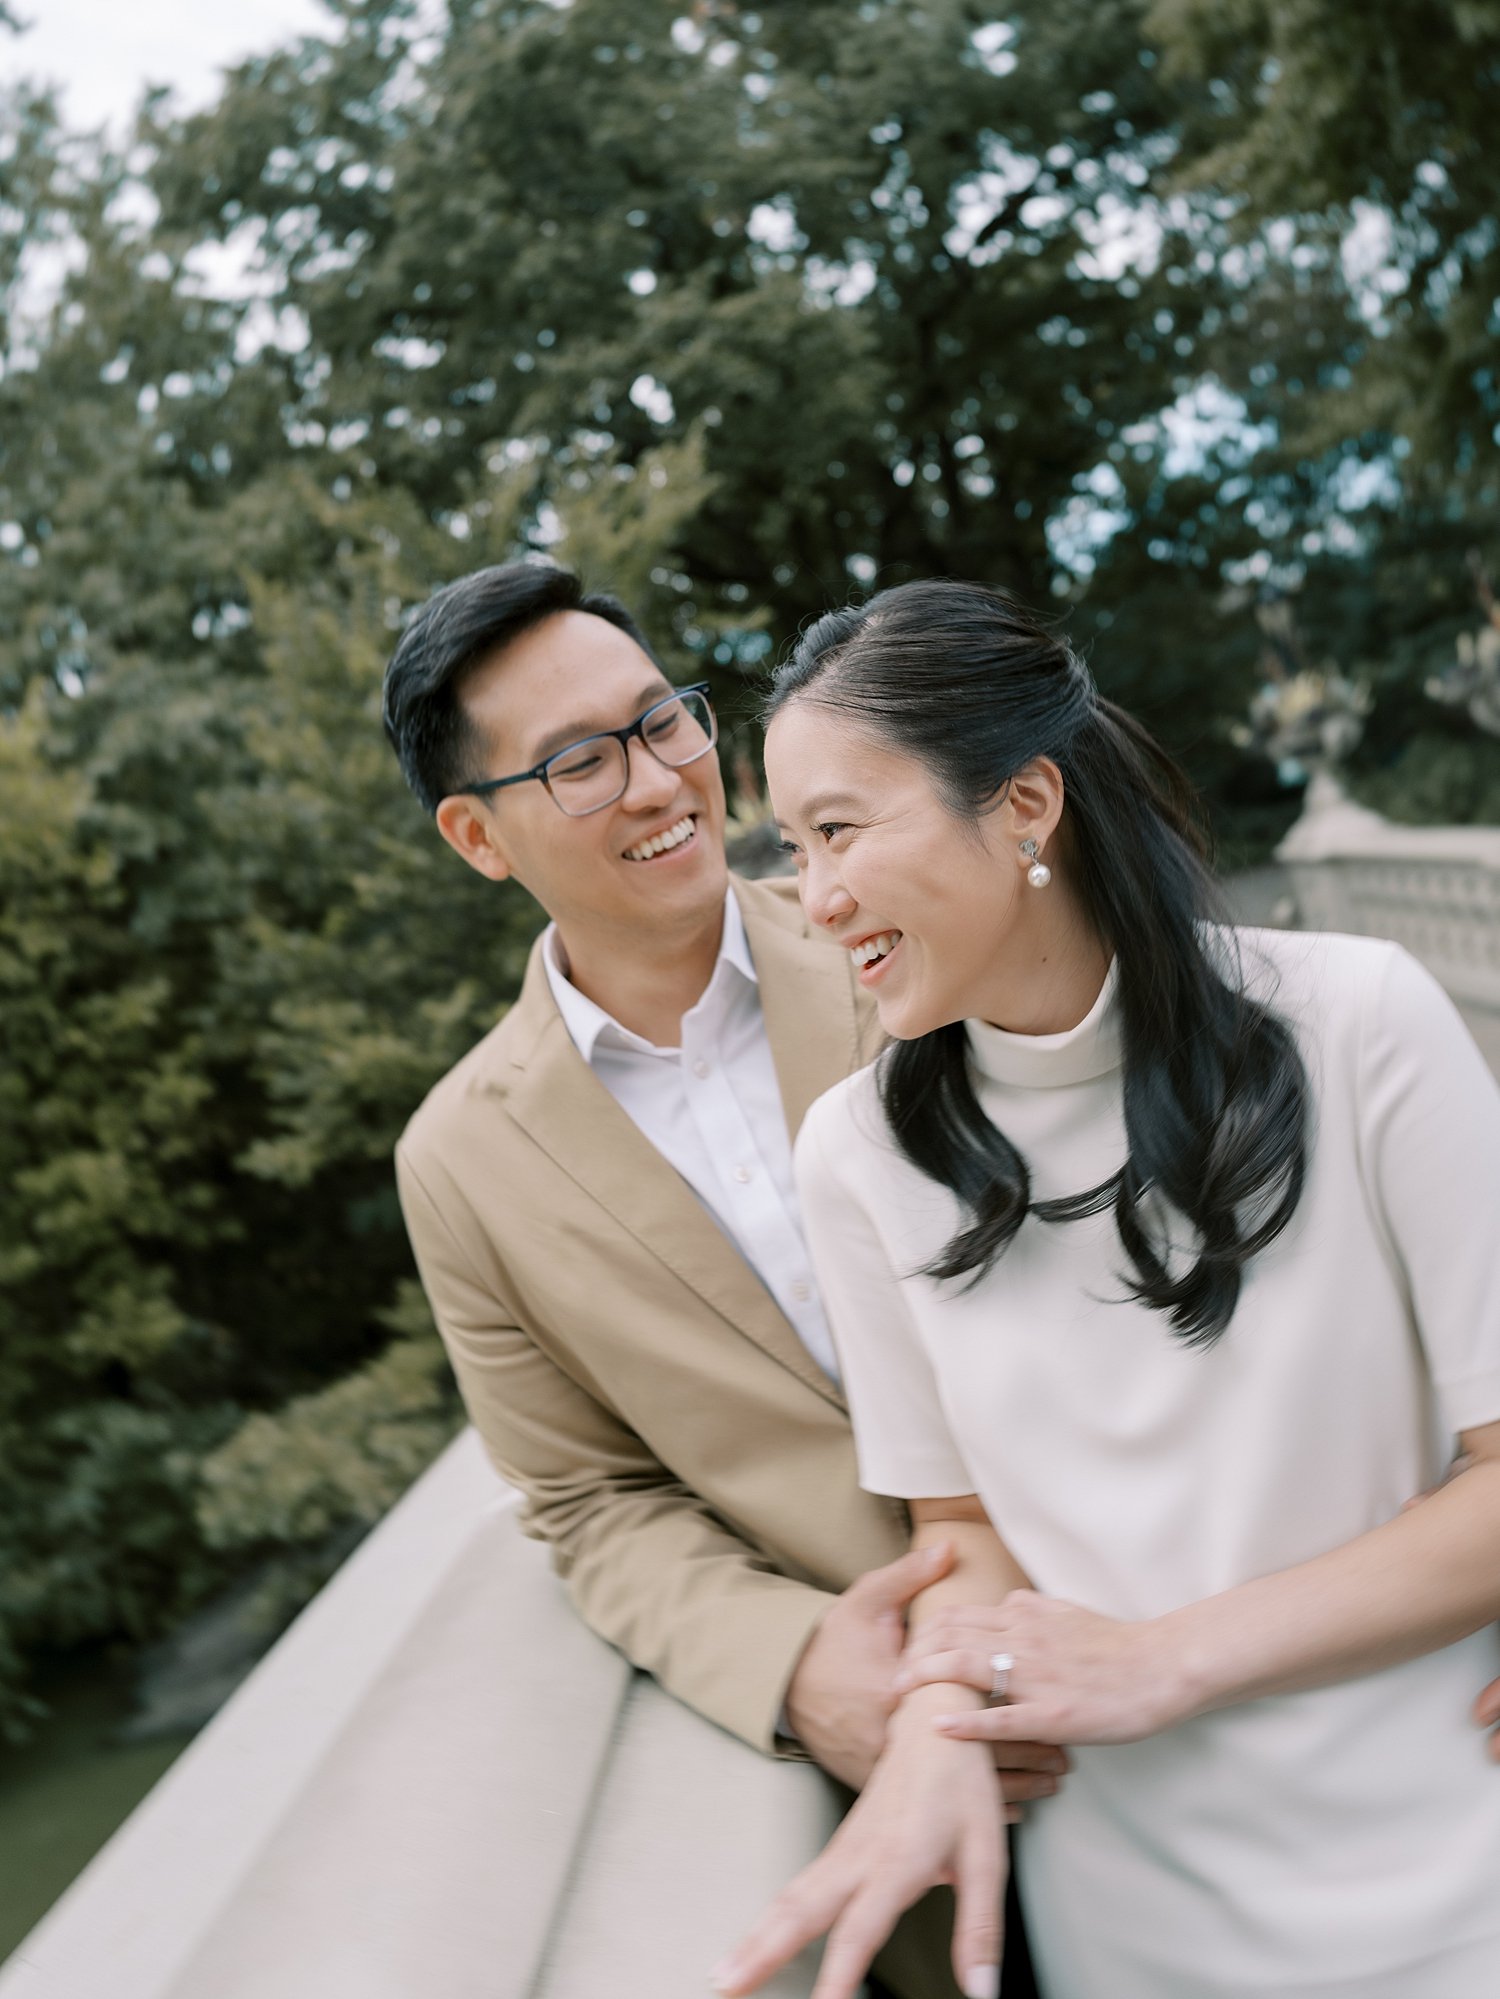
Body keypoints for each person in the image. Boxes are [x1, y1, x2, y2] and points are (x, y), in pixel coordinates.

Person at [715, 579, 1500, 1999]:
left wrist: (1170, 1658)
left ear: (1023, 805)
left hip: (1458, 1850)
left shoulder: (1364, 1021)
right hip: (1131, 1913)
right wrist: (943, 1705)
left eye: (839, 830)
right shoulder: (856, 1156)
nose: (810, 897)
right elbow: (955, 1526)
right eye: (790, 844)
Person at [381, 560, 1061, 1999]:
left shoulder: (900, 923)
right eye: (578, 762)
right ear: (475, 836)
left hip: (1174, 1609)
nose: (655, 783)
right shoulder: (459, 1161)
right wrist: (794, 1664)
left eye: (663, 721)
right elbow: (583, 1498)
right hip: (921, 1785)